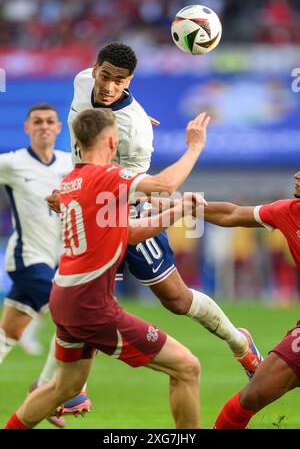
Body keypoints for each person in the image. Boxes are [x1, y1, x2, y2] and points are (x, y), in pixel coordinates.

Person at [33, 42, 263, 416]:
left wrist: (148, 125)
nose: (109, 87)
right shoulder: (80, 82)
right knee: (77, 291)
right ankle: (64, 389)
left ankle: (240, 344)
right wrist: (73, 192)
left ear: (130, 81)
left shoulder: (135, 131)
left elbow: (151, 189)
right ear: (94, 70)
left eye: (119, 81)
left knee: (176, 300)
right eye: (105, 76)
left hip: (124, 208)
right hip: (89, 202)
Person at [5, 107, 209, 429]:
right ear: (112, 141)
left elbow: (130, 232)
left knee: (65, 387)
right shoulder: (108, 177)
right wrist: (195, 146)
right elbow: (166, 184)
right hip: (91, 305)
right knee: (187, 367)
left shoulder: (72, 181)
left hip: (65, 299)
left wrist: (179, 211)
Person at [200, 172, 300, 428]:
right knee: (252, 396)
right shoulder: (288, 212)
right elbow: (231, 214)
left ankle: (258, 365)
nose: (296, 175)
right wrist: (181, 207)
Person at [0, 103, 73, 427]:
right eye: (37, 122)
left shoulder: (70, 164)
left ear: (59, 128)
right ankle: (45, 389)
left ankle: (44, 387)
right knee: (74, 315)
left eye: (49, 122)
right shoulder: (13, 163)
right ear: (27, 128)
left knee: (9, 332)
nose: (44, 126)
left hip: (55, 260)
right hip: (26, 260)